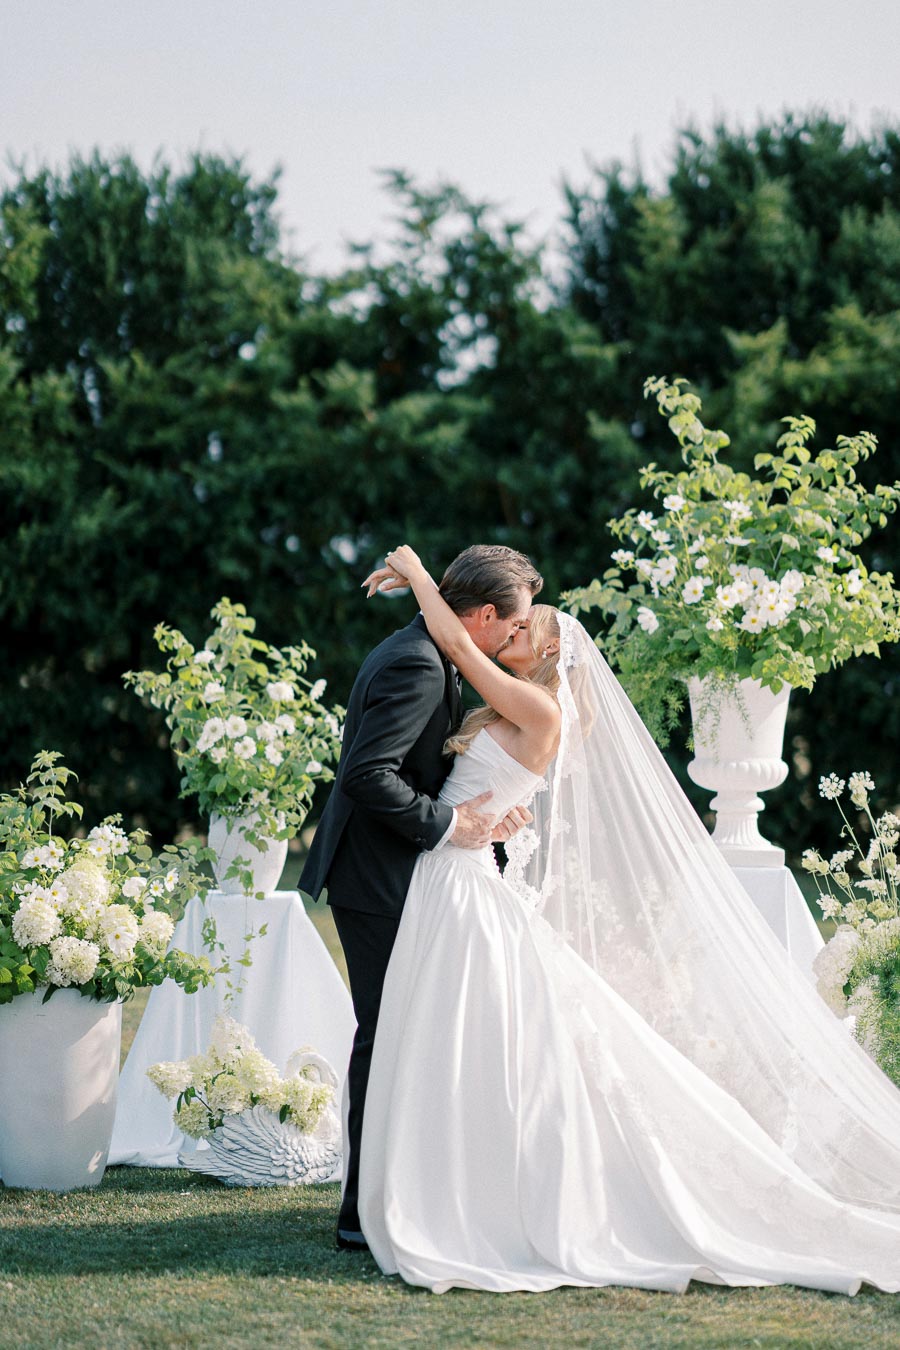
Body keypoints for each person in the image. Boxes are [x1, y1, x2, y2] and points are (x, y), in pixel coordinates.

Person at [354, 544, 900, 1295]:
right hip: (451, 877)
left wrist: (418, 575)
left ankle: (463, 1193)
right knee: (445, 1036)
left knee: (465, 1034)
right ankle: (431, 1178)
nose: (503, 640)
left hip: (463, 880)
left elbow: (455, 641)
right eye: (505, 631)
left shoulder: (541, 708)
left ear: (546, 651)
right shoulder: (521, 702)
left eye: (517, 635)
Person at [300, 544, 542, 1250]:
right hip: (378, 878)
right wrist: (452, 822)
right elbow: (367, 775)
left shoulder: (424, 648)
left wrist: (487, 807)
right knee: (385, 1037)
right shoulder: (419, 661)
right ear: (489, 615)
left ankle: (396, 1187)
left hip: (397, 872)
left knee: (407, 1034)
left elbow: (420, 761)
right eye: (517, 621)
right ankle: (359, 1210)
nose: (517, 635)